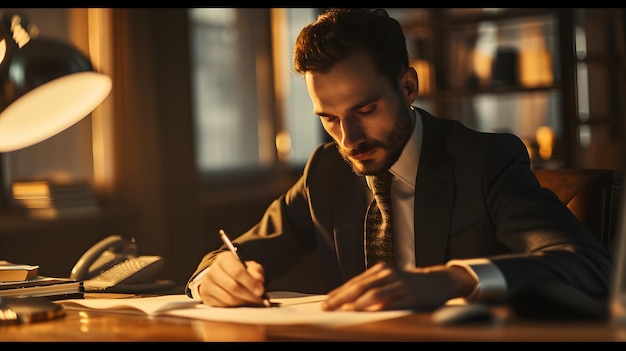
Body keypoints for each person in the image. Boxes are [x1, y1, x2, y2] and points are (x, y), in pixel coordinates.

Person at [185, 8, 612, 312]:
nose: (348, 140)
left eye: (365, 110)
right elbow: (227, 258)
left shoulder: (484, 160)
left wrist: (452, 279)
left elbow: (589, 265)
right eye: (329, 119)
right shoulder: (327, 170)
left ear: (408, 86)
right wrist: (214, 279)